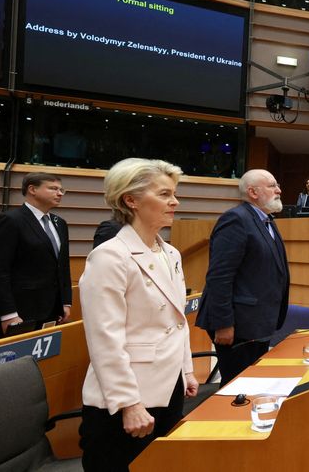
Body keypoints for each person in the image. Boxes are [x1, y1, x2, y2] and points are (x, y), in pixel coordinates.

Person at [78, 158, 198, 470]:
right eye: (164, 194)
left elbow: (177, 321)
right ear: (130, 200)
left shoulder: (170, 253)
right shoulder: (109, 257)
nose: (175, 201)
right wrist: (128, 403)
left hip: (167, 386)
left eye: (173, 193)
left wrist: (186, 369)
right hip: (125, 399)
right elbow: (105, 339)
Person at [195, 169, 289, 387]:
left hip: (257, 322)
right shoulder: (236, 220)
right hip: (238, 325)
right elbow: (219, 277)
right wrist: (223, 323)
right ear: (253, 192)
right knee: (236, 386)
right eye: (272, 185)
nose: (279, 190)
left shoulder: (267, 220)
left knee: (250, 383)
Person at [0, 173, 72, 338]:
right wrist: (8, 314)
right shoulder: (9, 220)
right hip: (18, 313)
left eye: (61, 189)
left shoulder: (60, 223)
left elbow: (62, 266)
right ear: (32, 189)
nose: (60, 193)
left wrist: (65, 302)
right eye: (53, 188)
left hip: (51, 310)